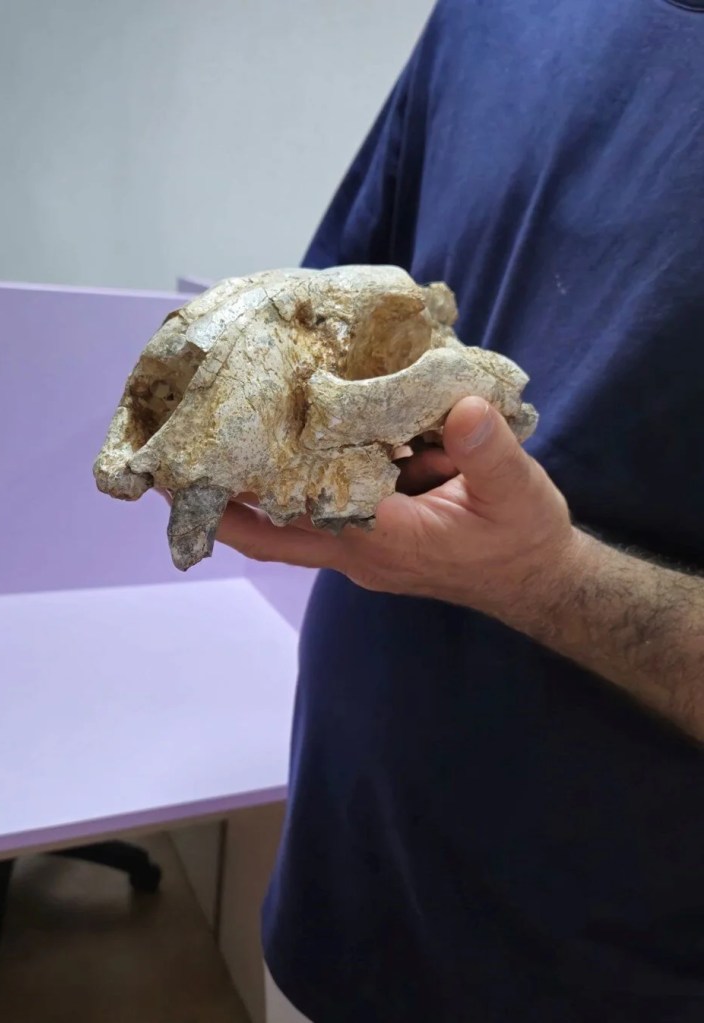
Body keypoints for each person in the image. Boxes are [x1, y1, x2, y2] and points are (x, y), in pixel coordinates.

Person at [218, 2, 704, 1020]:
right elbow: (332, 318)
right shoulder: (486, 16)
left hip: (601, 972)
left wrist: (549, 581)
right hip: (334, 899)